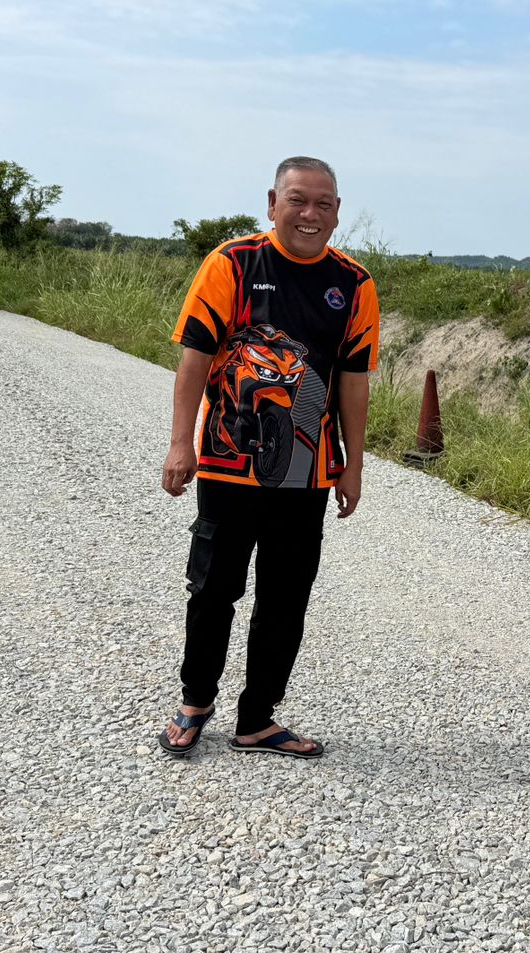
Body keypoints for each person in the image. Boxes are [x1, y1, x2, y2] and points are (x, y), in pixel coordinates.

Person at [157, 156, 379, 759]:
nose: (310, 214)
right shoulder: (232, 263)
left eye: (324, 203)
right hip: (226, 465)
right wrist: (180, 443)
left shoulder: (354, 283)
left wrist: (353, 465)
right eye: (298, 200)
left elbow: (354, 380)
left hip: (307, 472)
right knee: (213, 588)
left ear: (338, 212)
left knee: (286, 598)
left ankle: (258, 719)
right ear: (273, 203)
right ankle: (194, 702)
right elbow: (194, 360)